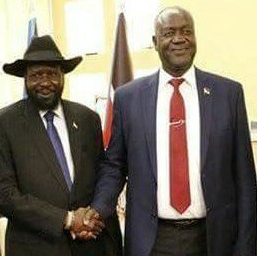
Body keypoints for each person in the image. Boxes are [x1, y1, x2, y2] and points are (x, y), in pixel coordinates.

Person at [91, 6, 257, 256]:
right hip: (153, 240)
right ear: (155, 42)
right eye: (169, 33)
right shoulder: (129, 98)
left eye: (186, 31)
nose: (179, 39)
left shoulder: (228, 94)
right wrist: (97, 209)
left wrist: (246, 245)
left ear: (195, 38)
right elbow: (115, 165)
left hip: (214, 239)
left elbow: (245, 179)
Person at [0, 35, 122, 256]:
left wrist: (92, 216)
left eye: (52, 74)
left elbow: (104, 172)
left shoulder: (87, 118)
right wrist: (67, 220)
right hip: (37, 247)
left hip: (93, 245)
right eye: (36, 76)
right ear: (25, 79)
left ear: (63, 76)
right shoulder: (3, 124)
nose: (45, 82)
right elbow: (3, 194)